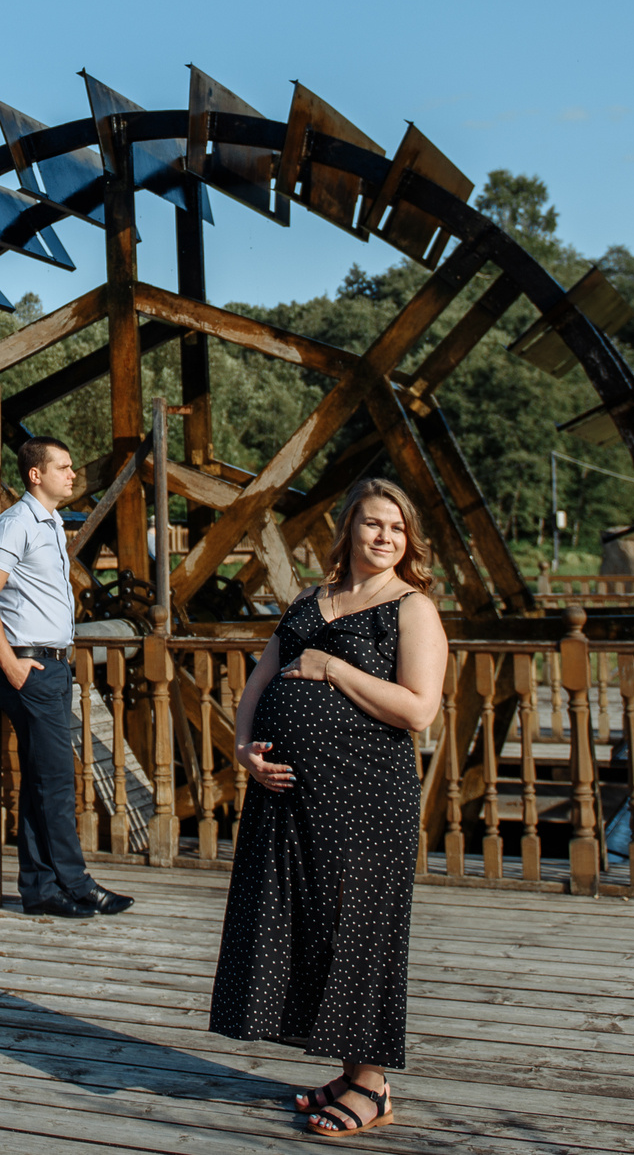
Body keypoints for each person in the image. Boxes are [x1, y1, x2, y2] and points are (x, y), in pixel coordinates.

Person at [208, 477, 449, 1138]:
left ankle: (372, 1084)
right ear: (346, 530)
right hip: (290, 799)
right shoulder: (312, 600)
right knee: (312, 927)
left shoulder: (411, 608)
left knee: (360, 930)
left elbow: (419, 708)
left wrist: (333, 668)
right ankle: (349, 1069)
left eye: (396, 528)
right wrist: (244, 750)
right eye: (373, 524)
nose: (385, 537)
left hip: (367, 797)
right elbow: (260, 680)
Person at [0, 437, 133, 920]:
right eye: (62, 466)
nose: (73, 473)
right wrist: (12, 665)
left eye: (71, 465)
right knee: (57, 782)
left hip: (53, 665)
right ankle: (78, 885)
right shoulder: (17, 524)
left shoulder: (50, 524)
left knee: (44, 779)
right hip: (29, 667)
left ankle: (41, 889)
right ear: (35, 475)